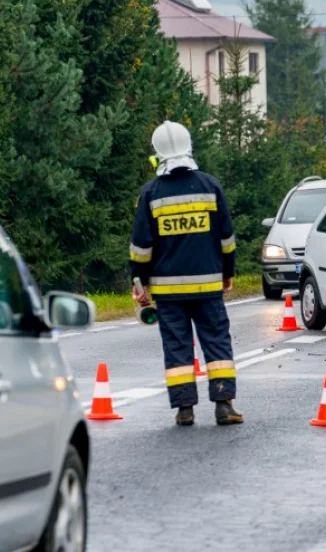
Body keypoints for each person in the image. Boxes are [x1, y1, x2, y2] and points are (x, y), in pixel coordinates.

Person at [130, 121, 242, 427]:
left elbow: (141, 247)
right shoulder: (209, 186)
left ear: (158, 154)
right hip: (208, 286)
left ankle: (184, 409)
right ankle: (223, 404)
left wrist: (139, 284)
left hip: (168, 293)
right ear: (189, 147)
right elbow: (227, 239)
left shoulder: (151, 193)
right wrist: (228, 273)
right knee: (216, 341)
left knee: (177, 345)